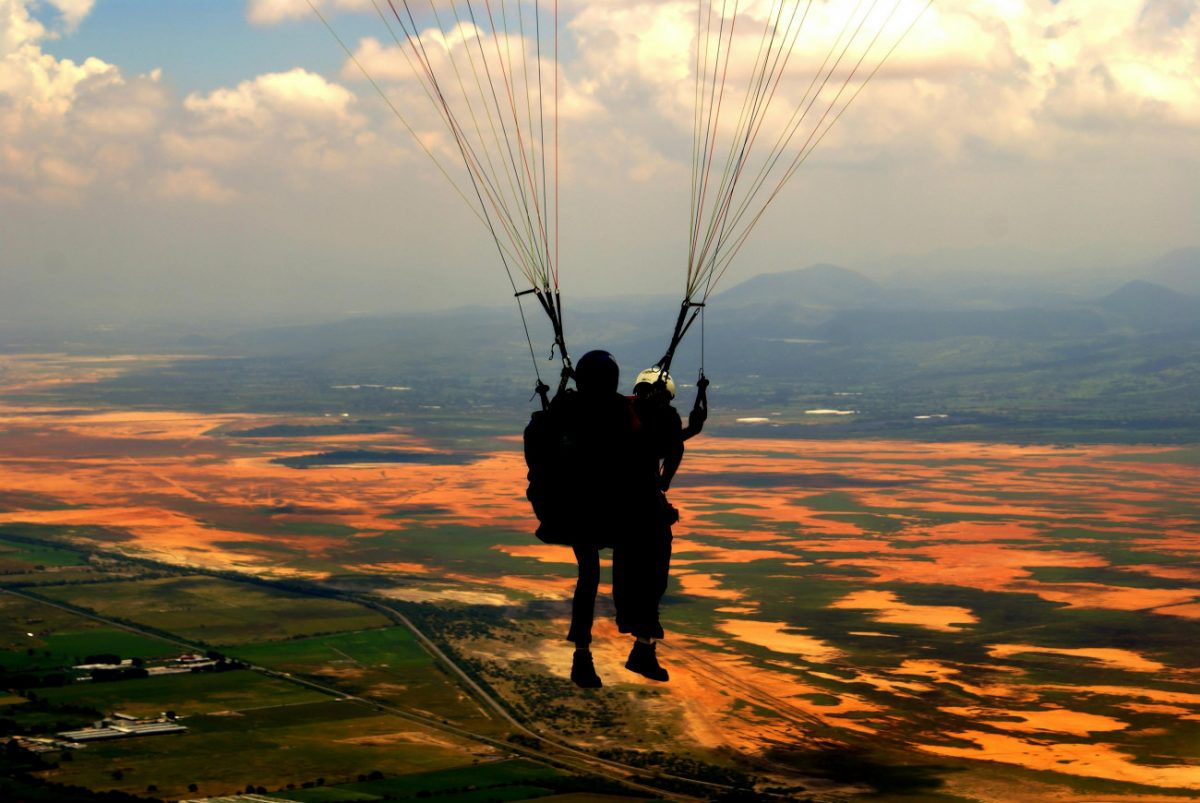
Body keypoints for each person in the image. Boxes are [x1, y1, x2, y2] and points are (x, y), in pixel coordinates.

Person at [526, 350, 638, 688]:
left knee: (589, 573)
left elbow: (538, 445)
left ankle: (583, 653)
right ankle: (637, 632)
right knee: (633, 554)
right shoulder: (621, 410)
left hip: (570, 510)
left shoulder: (564, 409)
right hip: (599, 510)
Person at [614, 367, 708, 682]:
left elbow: (658, 444)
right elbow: (666, 448)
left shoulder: (617, 416)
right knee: (652, 577)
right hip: (642, 511)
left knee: (630, 576)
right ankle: (642, 650)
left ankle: (642, 647)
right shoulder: (656, 423)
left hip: (618, 513)